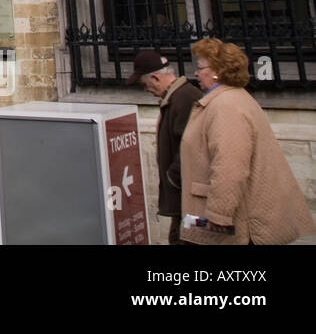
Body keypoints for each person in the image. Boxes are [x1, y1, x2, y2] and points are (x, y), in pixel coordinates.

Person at [180, 38, 316, 245]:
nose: (196, 73)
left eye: (200, 68)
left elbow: (229, 166)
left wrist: (217, 216)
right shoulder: (231, 99)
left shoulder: (226, 105)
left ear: (217, 70)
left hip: (242, 226)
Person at [127, 49, 202, 244]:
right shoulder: (176, 97)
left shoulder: (184, 98)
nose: (146, 90)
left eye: (145, 84)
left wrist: (172, 177)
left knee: (183, 239)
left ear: (155, 78)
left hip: (188, 197)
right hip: (183, 197)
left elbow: (192, 146)